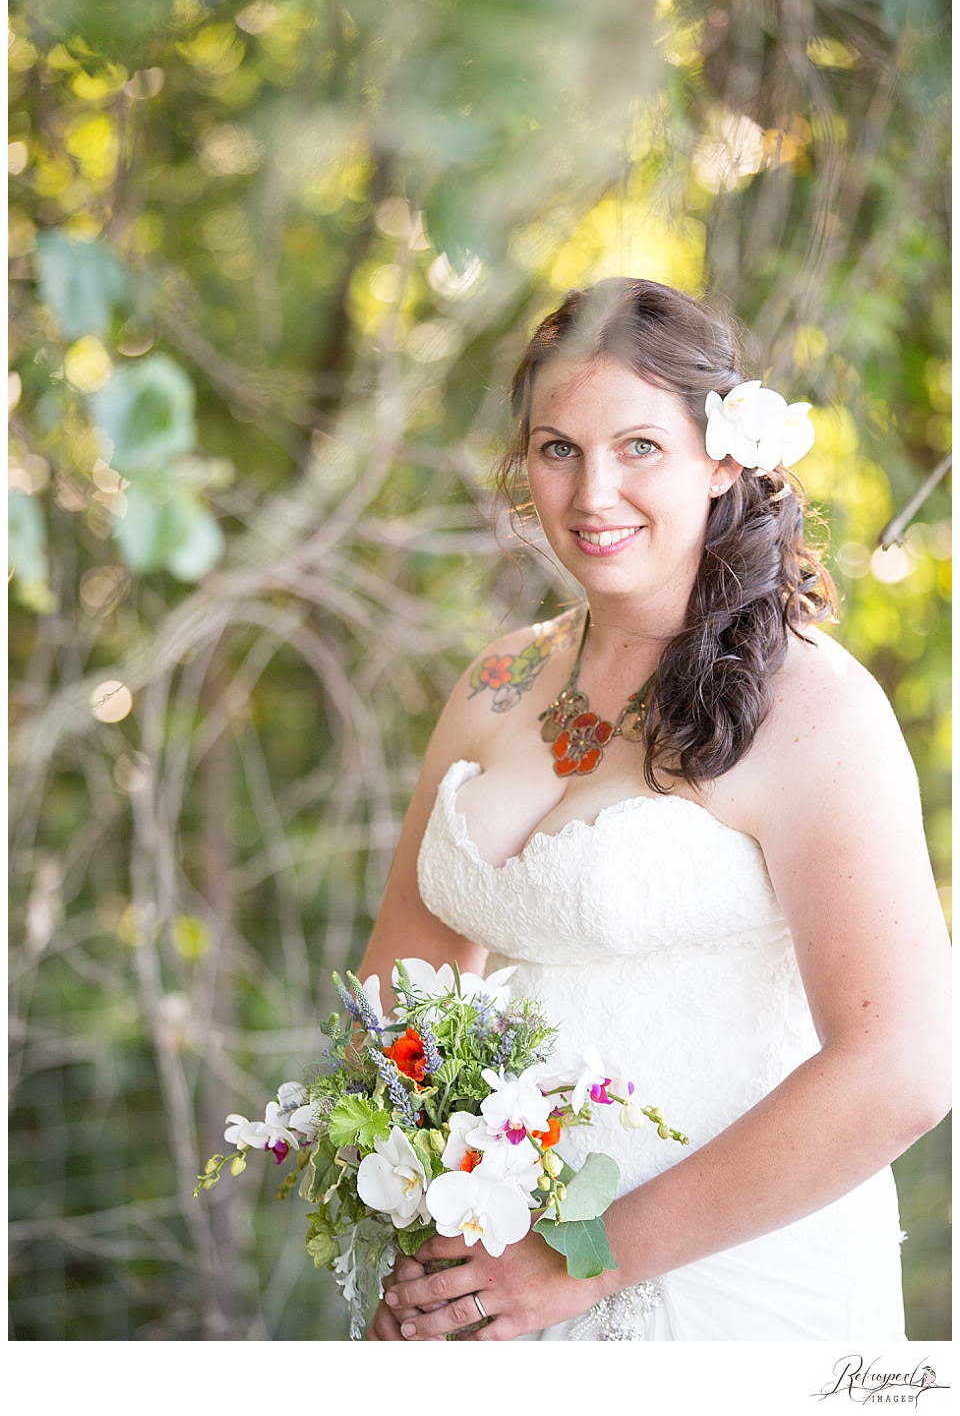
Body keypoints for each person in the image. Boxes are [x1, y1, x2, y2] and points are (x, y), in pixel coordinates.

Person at [358, 278, 951, 1341]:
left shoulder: (815, 706)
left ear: (723, 457)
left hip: (731, 1292)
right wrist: (421, 1226)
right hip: (498, 1283)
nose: (593, 495)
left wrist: (579, 1260)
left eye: (639, 447)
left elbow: (903, 1066)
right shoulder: (495, 682)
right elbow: (394, 998)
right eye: (557, 449)